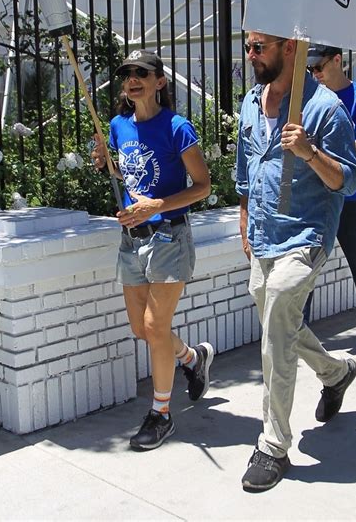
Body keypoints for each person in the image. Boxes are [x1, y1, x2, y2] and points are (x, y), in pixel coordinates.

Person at [236, 32, 356, 492]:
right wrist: (245, 217)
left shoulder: (325, 108)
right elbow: (245, 170)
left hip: (305, 236)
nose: (251, 56)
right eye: (248, 46)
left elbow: (347, 182)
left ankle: (273, 445)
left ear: (291, 48)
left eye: (260, 47)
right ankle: (336, 372)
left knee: (276, 329)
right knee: (278, 322)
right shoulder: (251, 102)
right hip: (263, 234)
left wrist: (308, 150)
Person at [92, 49, 213, 451]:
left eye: (142, 72)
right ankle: (192, 359)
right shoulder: (116, 126)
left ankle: (161, 413)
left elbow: (203, 186)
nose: (132, 78)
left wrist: (157, 205)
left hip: (168, 239)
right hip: (132, 240)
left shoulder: (177, 127)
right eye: (126, 73)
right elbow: (122, 172)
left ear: (159, 82)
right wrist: (102, 161)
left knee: (156, 327)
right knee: (140, 329)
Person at [303, 46, 356, 337]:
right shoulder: (310, 97)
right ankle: (300, 326)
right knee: (306, 261)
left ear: (338, 60)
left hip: (352, 196)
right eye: (310, 70)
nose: (315, 74)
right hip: (318, 195)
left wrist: (320, 145)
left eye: (319, 67)